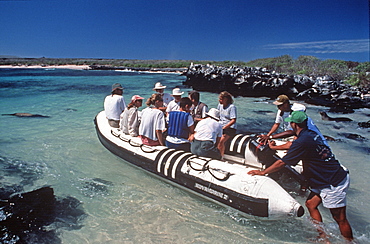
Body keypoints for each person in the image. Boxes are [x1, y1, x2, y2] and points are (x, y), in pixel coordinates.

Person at [248, 111, 353, 241]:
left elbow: (282, 163)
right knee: (310, 204)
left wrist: (263, 172)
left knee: (340, 218)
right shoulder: (310, 134)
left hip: (332, 181)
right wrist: (275, 147)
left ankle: (349, 242)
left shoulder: (302, 141)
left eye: (291, 122)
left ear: (295, 124)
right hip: (325, 178)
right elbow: (292, 145)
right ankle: (323, 238)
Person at [217, 91, 237, 157]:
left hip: (229, 128)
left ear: (225, 99)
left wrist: (225, 127)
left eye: (221, 99)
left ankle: (220, 156)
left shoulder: (232, 107)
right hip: (220, 125)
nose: (219, 100)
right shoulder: (220, 106)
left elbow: (233, 120)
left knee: (221, 141)